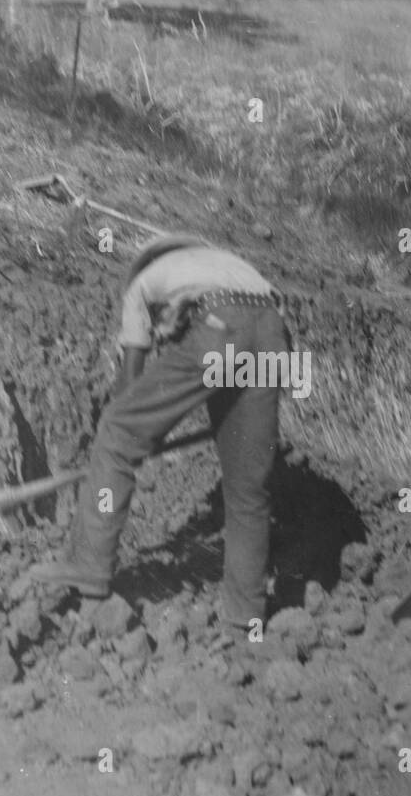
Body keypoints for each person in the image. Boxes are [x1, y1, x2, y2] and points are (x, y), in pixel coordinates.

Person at [30, 235, 289, 631]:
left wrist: (137, 434)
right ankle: (245, 614)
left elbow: (131, 386)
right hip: (273, 335)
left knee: (116, 432)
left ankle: (89, 563)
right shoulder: (224, 265)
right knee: (248, 489)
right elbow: (259, 338)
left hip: (220, 327)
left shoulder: (142, 284)